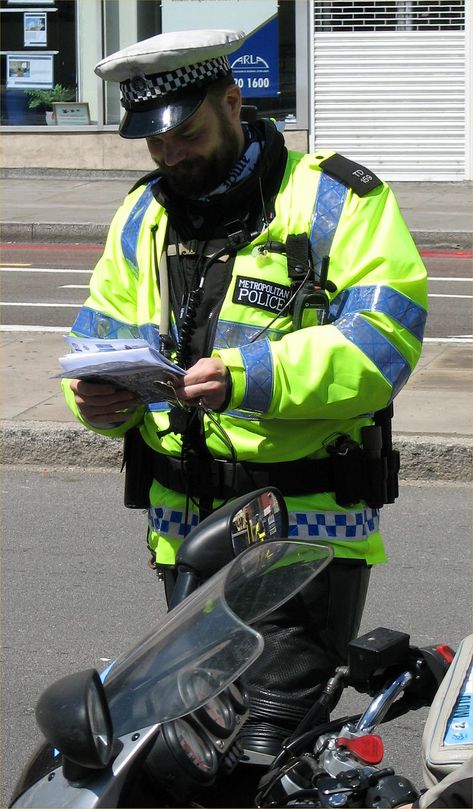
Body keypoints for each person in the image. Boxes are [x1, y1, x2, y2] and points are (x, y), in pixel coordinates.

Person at [62, 28, 428, 748]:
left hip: (301, 536)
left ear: (233, 102)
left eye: (186, 135)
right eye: (155, 144)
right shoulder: (142, 212)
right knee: (189, 748)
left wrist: (251, 376)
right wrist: (99, 400)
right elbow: (95, 340)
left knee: (265, 756)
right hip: (184, 534)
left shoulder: (337, 198)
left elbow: (384, 345)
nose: (170, 157)